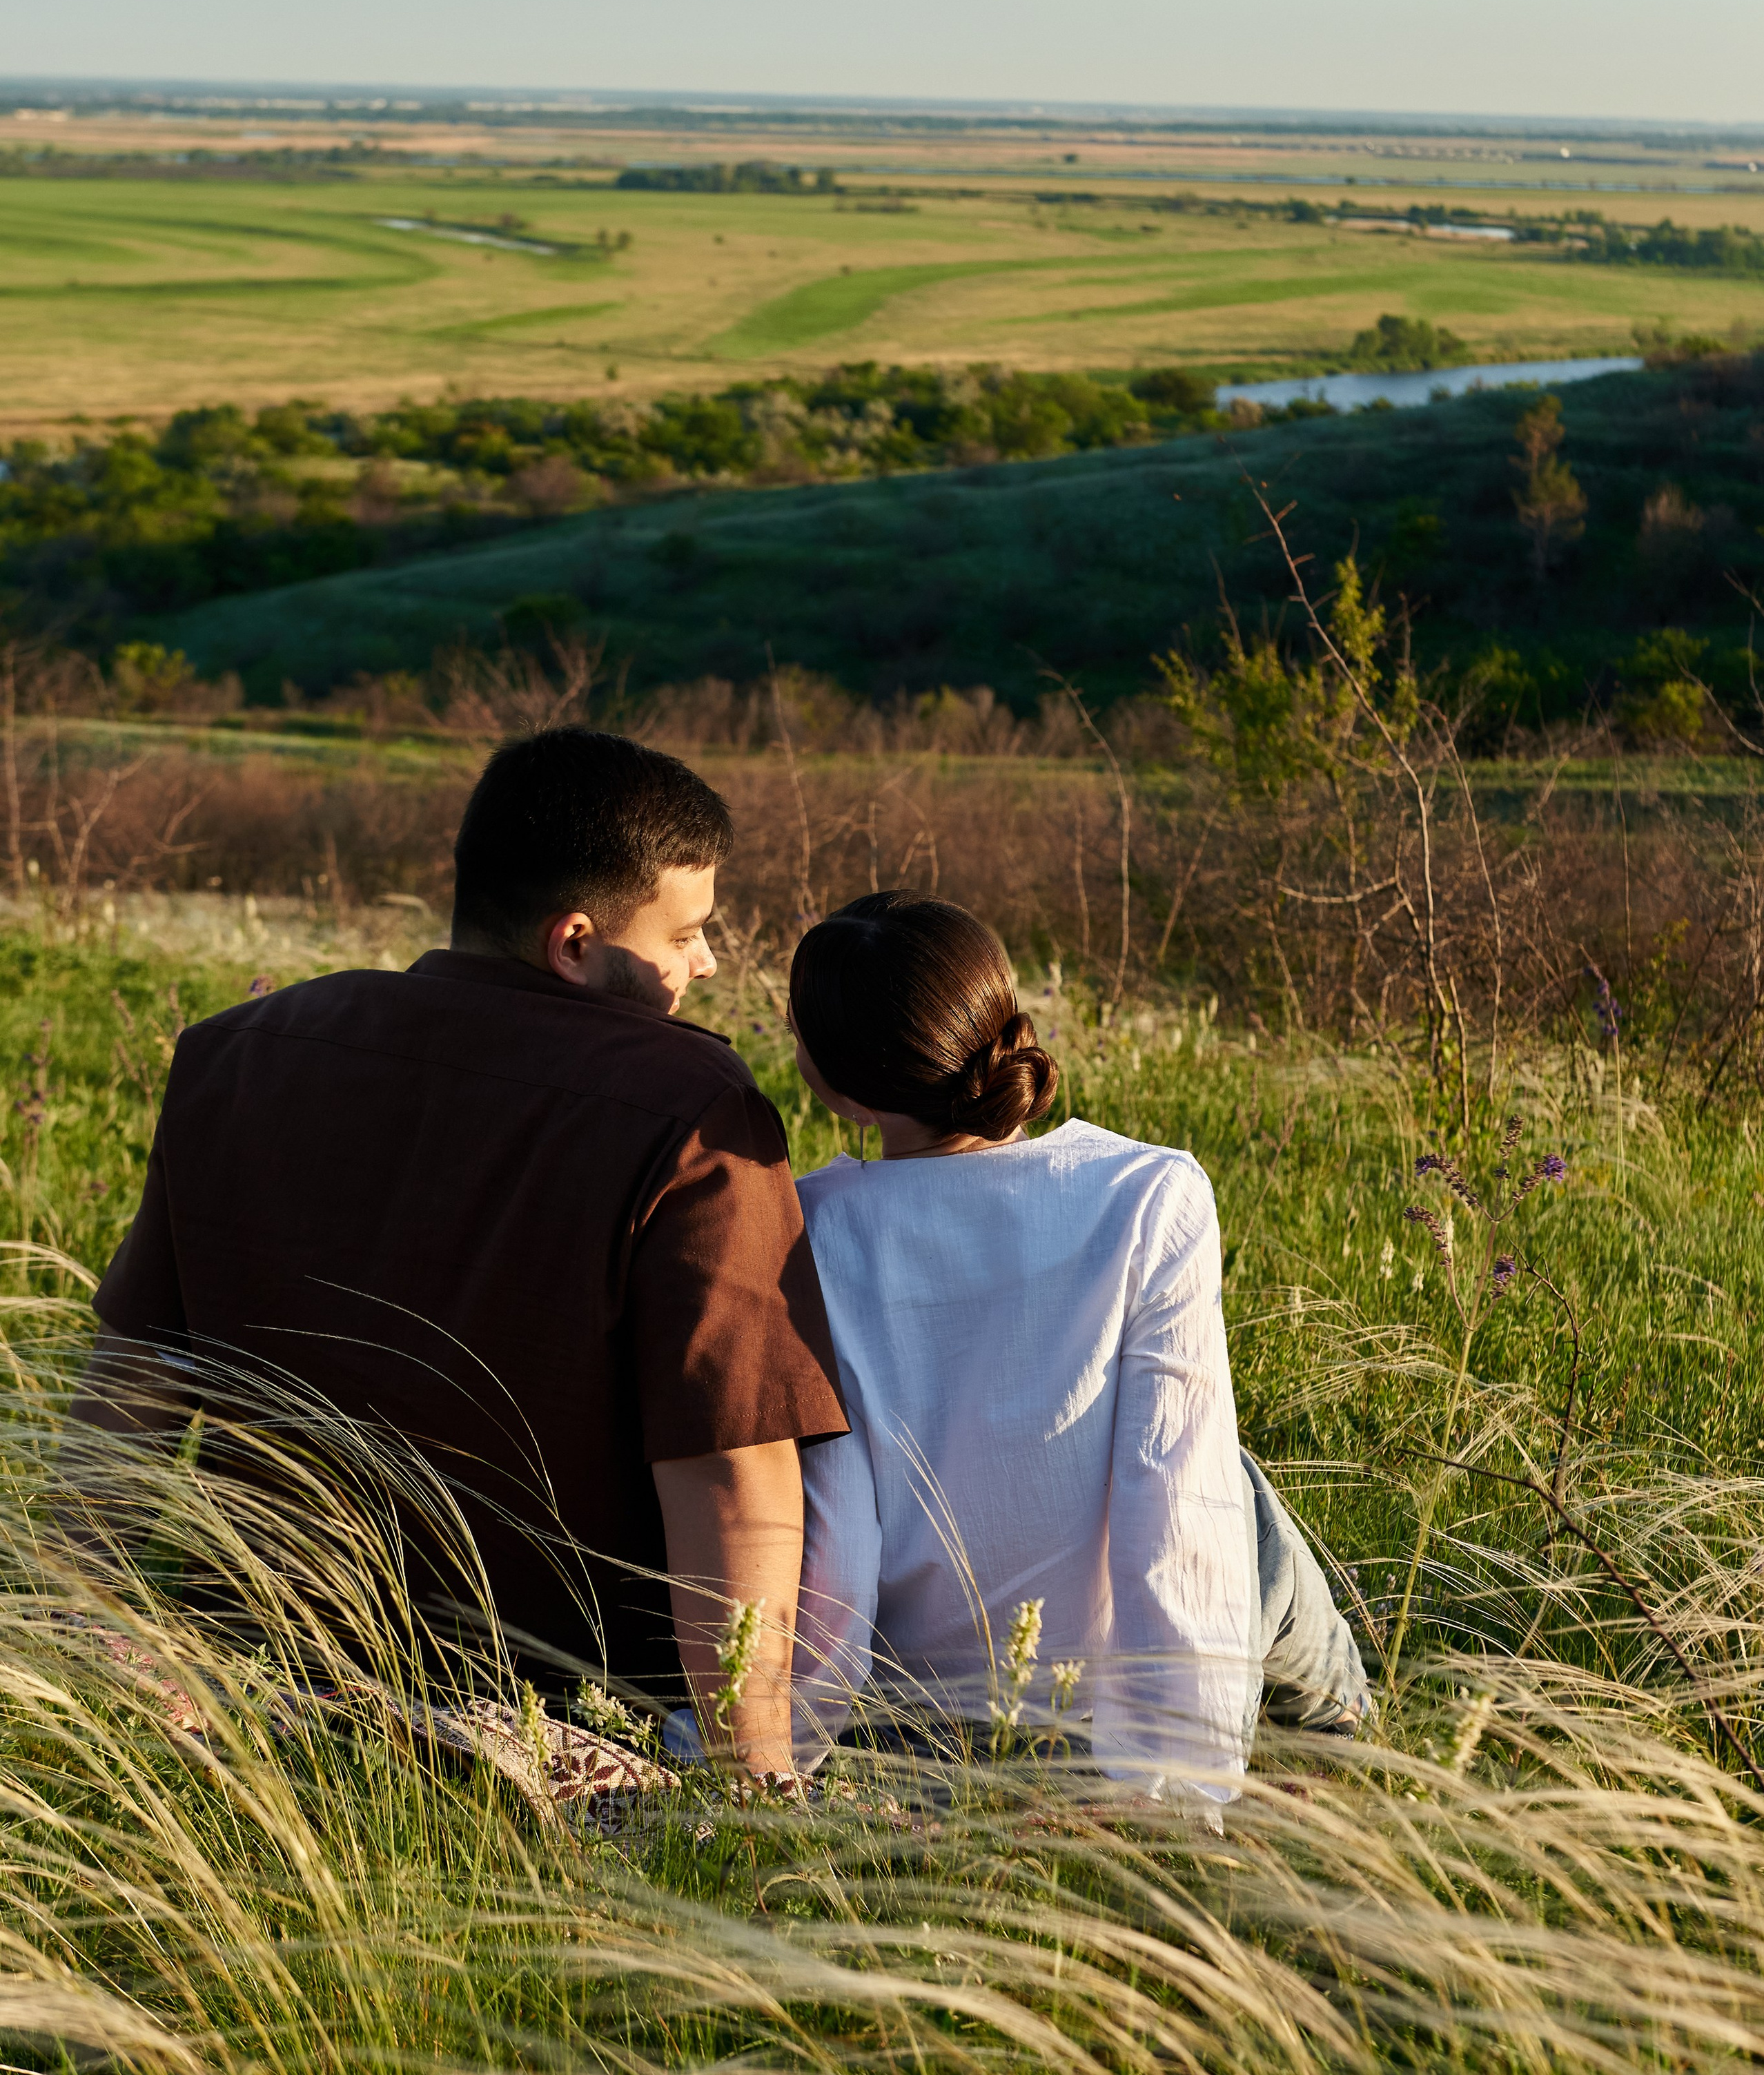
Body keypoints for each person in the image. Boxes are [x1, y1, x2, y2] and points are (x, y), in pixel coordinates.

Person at [77, 730, 847, 1777]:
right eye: (686, 933)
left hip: (246, 1705)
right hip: (546, 1736)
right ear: (574, 941)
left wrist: (75, 1654)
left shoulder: (236, 1053)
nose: (705, 963)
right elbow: (732, 1475)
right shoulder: (695, 1118)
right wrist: (755, 1782)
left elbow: (128, 1388)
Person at [783, 891, 1371, 1801]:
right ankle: (1347, 1732)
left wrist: (775, 1746)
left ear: (832, 1081)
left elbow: (838, 1551)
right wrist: (1178, 1790)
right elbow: (1175, 1512)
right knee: (1233, 1486)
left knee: (1230, 1482)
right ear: (1001, 1023)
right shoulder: (1148, 1193)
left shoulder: (809, 1231)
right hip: (1103, 1701)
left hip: (921, 1712)